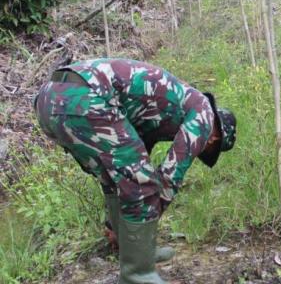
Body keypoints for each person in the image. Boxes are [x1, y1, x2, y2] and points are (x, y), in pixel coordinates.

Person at [34, 59, 237, 284]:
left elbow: (122, 172)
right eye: (209, 147)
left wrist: (119, 227)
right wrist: (147, 212)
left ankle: (134, 252)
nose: (203, 148)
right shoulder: (204, 114)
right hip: (85, 98)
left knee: (118, 176)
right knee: (144, 185)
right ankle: (138, 275)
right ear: (215, 137)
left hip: (49, 99)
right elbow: (170, 176)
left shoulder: (162, 112)